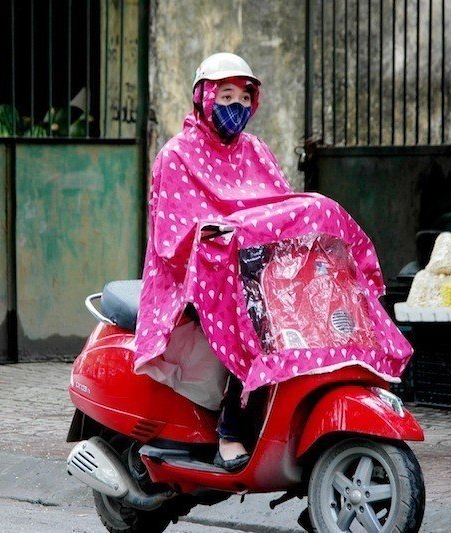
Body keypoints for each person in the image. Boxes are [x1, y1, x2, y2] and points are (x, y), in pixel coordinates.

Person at [133, 53, 413, 472]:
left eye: (244, 98)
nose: (236, 107)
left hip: (254, 271)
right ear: (203, 97)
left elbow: (280, 209)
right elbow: (172, 242)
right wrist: (217, 239)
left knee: (314, 239)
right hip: (200, 279)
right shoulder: (176, 156)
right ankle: (230, 430)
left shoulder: (256, 151)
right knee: (253, 318)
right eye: (225, 95)